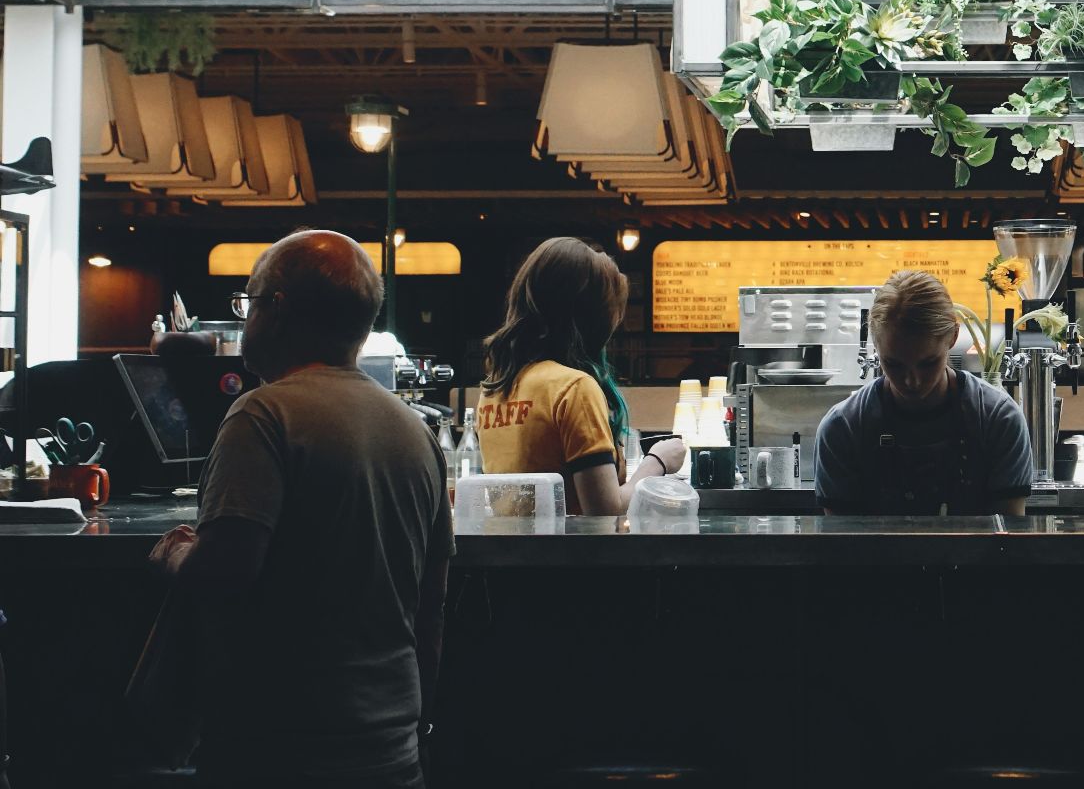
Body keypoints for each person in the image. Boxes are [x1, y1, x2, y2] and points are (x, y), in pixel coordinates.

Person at [147, 231, 452, 789]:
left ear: (278, 309)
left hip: (278, 752)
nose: (245, 319)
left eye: (249, 301)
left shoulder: (264, 415)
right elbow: (430, 608)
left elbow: (223, 574)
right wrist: (417, 727)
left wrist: (175, 552)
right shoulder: (416, 432)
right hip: (391, 751)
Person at [476, 237, 686, 515]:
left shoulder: (493, 389)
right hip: (568, 543)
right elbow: (605, 511)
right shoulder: (574, 388)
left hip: (510, 543)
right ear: (591, 317)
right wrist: (657, 462)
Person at [815, 270, 1032, 516]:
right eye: (894, 364)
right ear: (876, 345)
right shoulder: (843, 428)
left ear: (953, 336)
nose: (912, 381)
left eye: (928, 363)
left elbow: (1007, 534)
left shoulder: (999, 420)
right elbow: (841, 538)